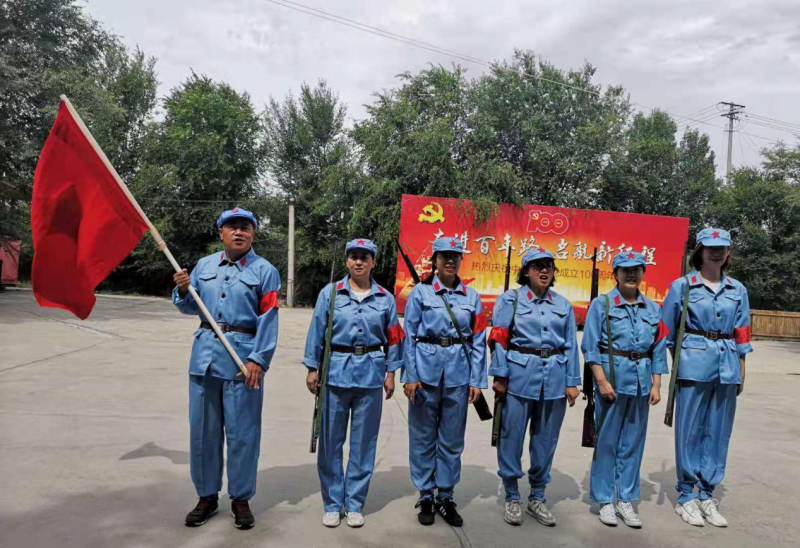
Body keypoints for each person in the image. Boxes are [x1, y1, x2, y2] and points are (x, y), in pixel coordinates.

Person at [173, 207, 280, 530]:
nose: (238, 232)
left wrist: (258, 358)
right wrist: (182, 289)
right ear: (221, 233)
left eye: (245, 227)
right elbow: (190, 307)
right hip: (204, 359)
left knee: (243, 434)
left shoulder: (265, 271)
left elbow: (269, 317)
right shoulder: (204, 266)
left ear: (253, 233)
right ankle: (206, 496)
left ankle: (241, 499)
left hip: (241, 362)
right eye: (232, 227)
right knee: (203, 433)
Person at [303, 238, 405, 528]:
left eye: (364, 257)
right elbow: (317, 331)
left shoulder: (385, 298)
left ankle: (355, 503)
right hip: (335, 373)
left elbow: (393, 337)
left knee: (363, 443)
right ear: (347, 261)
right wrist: (312, 368)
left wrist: (391, 372)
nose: (358, 262)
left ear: (373, 262)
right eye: (354, 256)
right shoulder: (331, 293)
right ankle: (333, 503)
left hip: (371, 374)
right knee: (330, 442)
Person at [661, 228, 752, 528]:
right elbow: (667, 331)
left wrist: (742, 368)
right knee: (689, 430)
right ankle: (687, 494)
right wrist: (678, 363)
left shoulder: (738, 289)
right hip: (692, 364)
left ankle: (707, 493)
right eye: (710, 247)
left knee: (719, 430)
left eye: (722, 247)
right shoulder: (683, 286)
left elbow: (742, 332)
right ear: (699, 251)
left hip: (727, 365)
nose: (716, 252)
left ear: (728, 252)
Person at [487, 246, 581, 527]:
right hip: (519, 378)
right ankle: (512, 495)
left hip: (554, 379)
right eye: (537, 266)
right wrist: (500, 375)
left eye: (548, 266)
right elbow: (499, 338)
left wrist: (572, 381)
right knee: (511, 438)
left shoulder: (563, 305)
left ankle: (537, 496)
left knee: (546, 441)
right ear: (526, 271)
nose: (544, 270)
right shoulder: (511, 300)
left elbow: (570, 346)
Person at [401, 236, 488, 527]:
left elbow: (478, 340)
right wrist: (410, 376)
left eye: (455, 256)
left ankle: (446, 496)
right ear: (435, 261)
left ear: (461, 260)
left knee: (451, 440)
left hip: (459, 375)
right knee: (422, 438)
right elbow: (409, 337)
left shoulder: (472, 297)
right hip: (425, 375)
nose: (450, 260)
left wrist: (477, 380)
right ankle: (426, 494)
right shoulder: (420, 293)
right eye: (444, 256)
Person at [581, 251, 668, 528]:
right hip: (612, 383)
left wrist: (656, 384)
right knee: (607, 443)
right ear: (615, 274)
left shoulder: (653, 308)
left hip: (641, 384)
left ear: (643, 273)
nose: (631, 274)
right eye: (625, 270)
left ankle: (626, 499)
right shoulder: (602, 304)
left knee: (632, 444)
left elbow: (658, 349)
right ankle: (605, 499)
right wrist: (601, 380)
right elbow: (590, 347)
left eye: (637, 269)